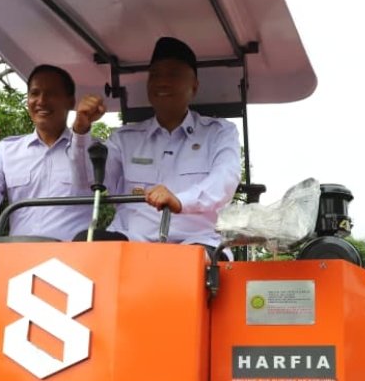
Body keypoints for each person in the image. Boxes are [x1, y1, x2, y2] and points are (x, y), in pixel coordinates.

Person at [68, 36, 241, 249]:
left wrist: (180, 201)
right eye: (155, 75)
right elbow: (86, 184)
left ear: (194, 87)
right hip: (132, 241)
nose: (162, 82)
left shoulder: (220, 133)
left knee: (192, 267)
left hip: (196, 242)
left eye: (173, 75)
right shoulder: (124, 138)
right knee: (86, 243)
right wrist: (82, 130)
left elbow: (224, 181)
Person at [0, 65, 90, 241]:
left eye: (51, 93)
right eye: (35, 93)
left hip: (75, 259)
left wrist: (81, 133)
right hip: (20, 258)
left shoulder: (91, 148)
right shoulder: (6, 150)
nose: (41, 101)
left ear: (70, 101)